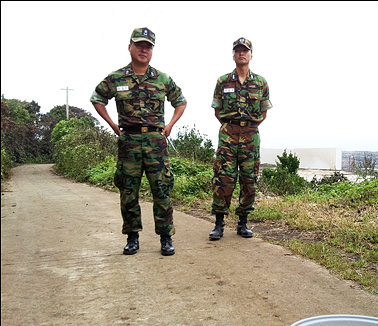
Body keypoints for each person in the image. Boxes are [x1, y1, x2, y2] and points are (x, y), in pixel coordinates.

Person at [90, 27, 187, 256]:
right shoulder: (116, 78)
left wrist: (170, 125)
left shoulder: (162, 78)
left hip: (156, 141)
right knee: (128, 190)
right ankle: (132, 237)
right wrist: (113, 125)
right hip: (129, 141)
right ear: (130, 46)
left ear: (152, 50)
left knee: (161, 189)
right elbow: (97, 98)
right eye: (140, 45)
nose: (144, 50)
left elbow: (180, 101)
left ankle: (166, 237)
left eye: (148, 46)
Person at [209, 37, 272, 240]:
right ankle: (219, 223)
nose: (241, 53)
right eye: (238, 50)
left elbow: (264, 113)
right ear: (233, 55)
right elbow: (217, 110)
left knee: (249, 179)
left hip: (250, 135)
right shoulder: (223, 81)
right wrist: (232, 126)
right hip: (228, 134)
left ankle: (243, 222)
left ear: (251, 55)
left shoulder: (261, 83)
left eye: (245, 50)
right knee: (223, 178)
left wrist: (248, 126)